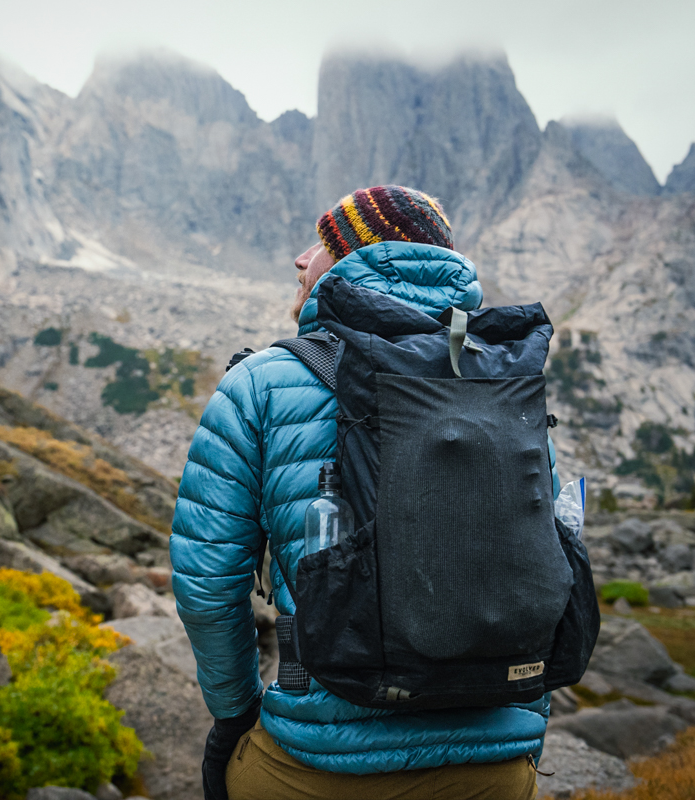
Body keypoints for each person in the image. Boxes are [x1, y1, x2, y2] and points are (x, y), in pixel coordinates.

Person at [171, 185, 558, 800]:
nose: (301, 258)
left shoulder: (263, 383)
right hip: (496, 768)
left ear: (358, 256)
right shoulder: (503, 380)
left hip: (315, 768)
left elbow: (207, 587)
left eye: (323, 242)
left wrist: (234, 715)